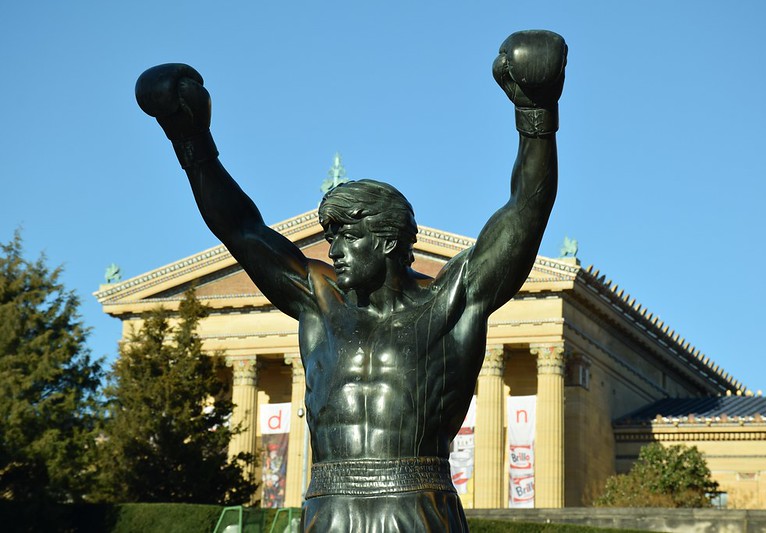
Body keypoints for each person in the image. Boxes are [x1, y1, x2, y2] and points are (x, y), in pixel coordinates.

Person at [136, 29, 566, 533]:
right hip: (328, 507)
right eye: (329, 238)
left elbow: (526, 210)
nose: (332, 252)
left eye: (345, 239)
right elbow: (241, 228)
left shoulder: (451, 301)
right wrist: (191, 142)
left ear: (386, 242)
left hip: (416, 505)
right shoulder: (320, 302)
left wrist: (536, 118)